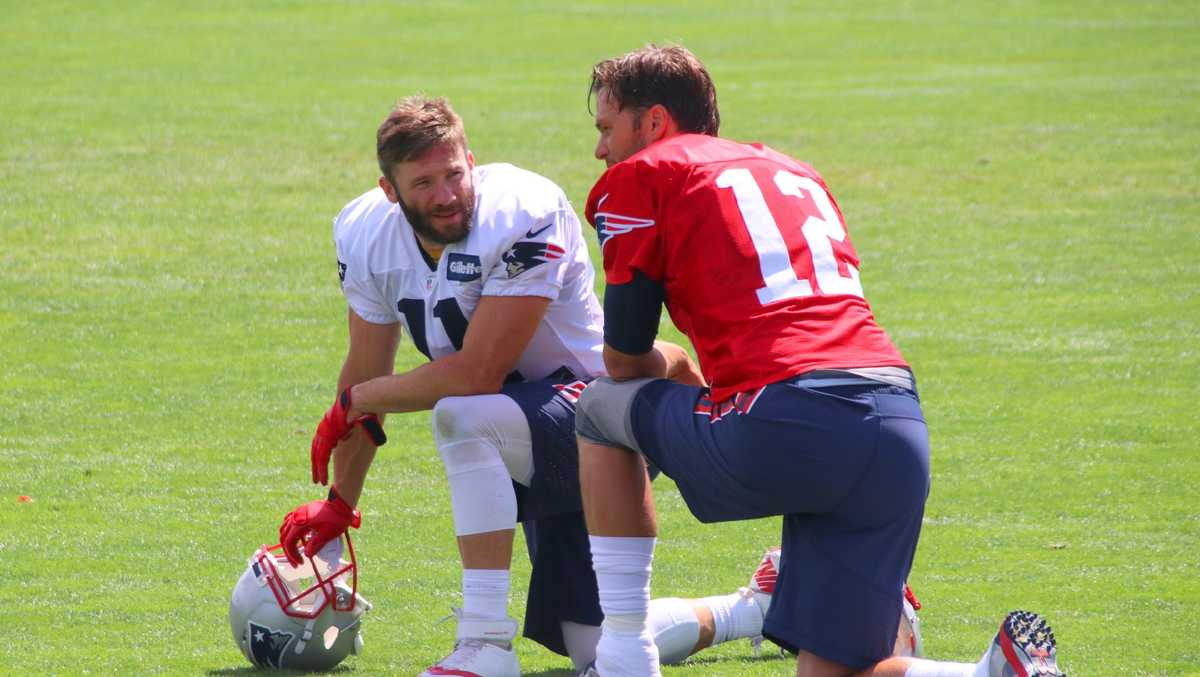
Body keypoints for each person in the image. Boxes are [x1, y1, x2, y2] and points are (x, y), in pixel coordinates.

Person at [573, 45, 1066, 677]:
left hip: (789, 417)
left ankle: (621, 657)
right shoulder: (794, 169)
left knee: (599, 406)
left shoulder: (647, 173)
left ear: (655, 123)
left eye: (606, 128)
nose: (601, 150)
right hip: (896, 425)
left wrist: (674, 364)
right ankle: (982, 675)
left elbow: (622, 357)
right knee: (834, 671)